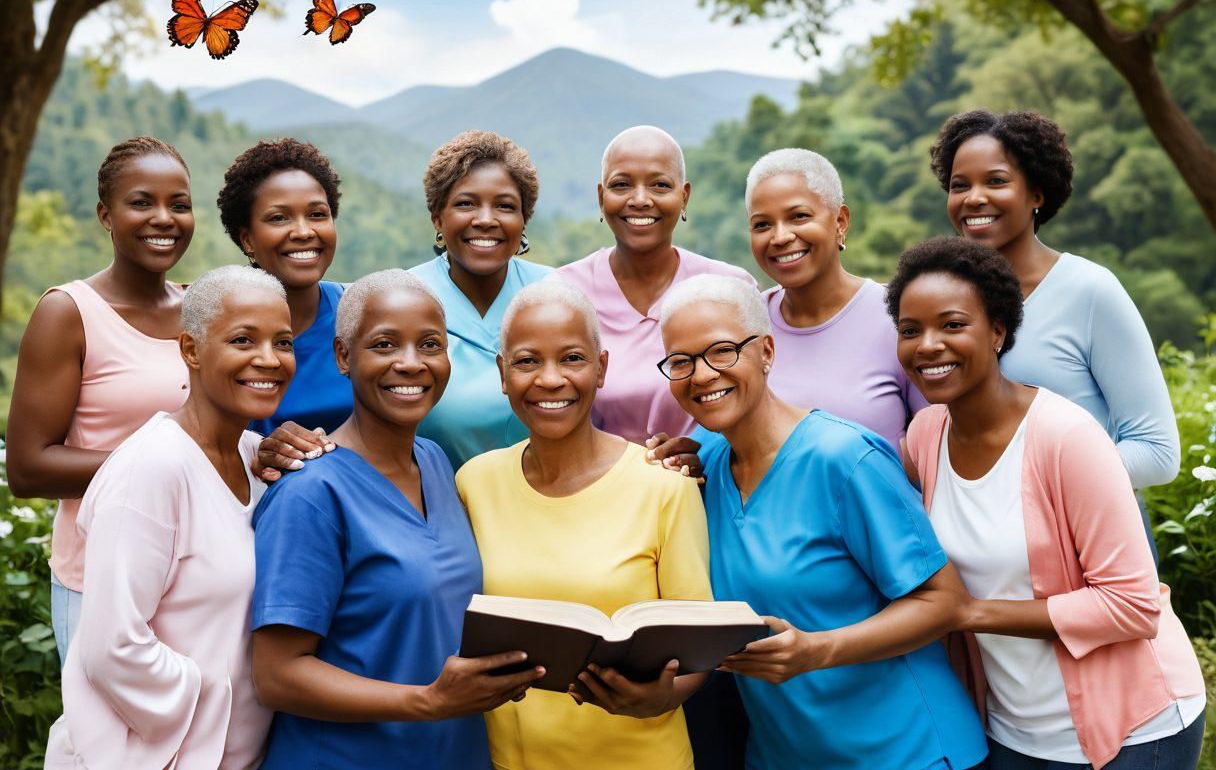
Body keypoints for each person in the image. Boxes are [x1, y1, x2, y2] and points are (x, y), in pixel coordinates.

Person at [890, 237, 1205, 770]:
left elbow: (1132, 604)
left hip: (1132, 728)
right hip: (1012, 730)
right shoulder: (925, 434)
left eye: (952, 325)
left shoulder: (1066, 437)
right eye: (909, 330)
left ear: (998, 331)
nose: (928, 345)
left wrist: (969, 614)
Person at [658, 273, 988, 770]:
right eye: (681, 361)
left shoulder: (845, 457)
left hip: (907, 751)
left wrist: (817, 650)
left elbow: (946, 601)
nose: (702, 375)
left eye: (723, 351)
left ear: (766, 351)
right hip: (782, 755)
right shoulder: (702, 463)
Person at [250, 269, 541, 768]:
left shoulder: (433, 461)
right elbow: (277, 676)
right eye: (385, 345)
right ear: (344, 356)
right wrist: (427, 702)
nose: (411, 363)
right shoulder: (310, 492)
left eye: (430, 344)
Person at [43, 265, 294, 770]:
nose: (268, 359)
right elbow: (112, 647)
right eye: (243, 340)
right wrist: (210, 691)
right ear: (191, 350)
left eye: (283, 342)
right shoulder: (150, 469)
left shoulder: (255, 458)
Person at [456, 280, 713, 770]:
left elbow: (698, 645)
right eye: (527, 361)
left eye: (572, 358)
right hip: (512, 759)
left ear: (601, 369)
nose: (550, 379)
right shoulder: (475, 482)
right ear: (503, 374)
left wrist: (662, 697)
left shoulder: (664, 487)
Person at [930, 110, 1179, 555]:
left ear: (1037, 193)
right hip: (975, 551)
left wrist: (1025, 482)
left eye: (996, 181)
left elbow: (1157, 453)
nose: (974, 198)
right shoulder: (939, 300)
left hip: (1093, 544)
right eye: (959, 185)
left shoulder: (1089, 290)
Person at [7, 137, 193, 664]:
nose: (164, 218)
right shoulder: (68, 313)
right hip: (101, 581)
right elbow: (28, 469)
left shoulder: (202, 309)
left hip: (196, 576)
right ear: (105, 215)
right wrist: (172, 467)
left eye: (179, 204)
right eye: (142, 202)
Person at [554, 125, 755, 446]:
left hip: (718, 472)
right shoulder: (563, 294)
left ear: (684, 196)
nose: (640, 200)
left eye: (659, 185)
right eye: (621, 185)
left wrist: (705, 451)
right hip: (599, 476)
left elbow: (758, 397)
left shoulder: (730, 288)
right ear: (601, 196)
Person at [743, 148, 925, 451]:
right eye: (762, 224)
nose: (780, 237)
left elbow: (939, 442)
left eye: (799, 216)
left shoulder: (899, 316)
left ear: (840, 221)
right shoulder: (743, 324)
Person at [408, 130, 552, 468]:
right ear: (437, 216)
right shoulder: (405, 298)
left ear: (523, 219)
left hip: (550, 493)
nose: (486, 220)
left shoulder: (555, 294)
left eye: (504, 206)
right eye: (466, 204)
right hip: (435, 494)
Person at [217, 137, 350, 436]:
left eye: (317, 215)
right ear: (247, 240)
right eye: (279, 218)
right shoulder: (215, 324)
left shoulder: (361, 315)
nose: (303, 232)